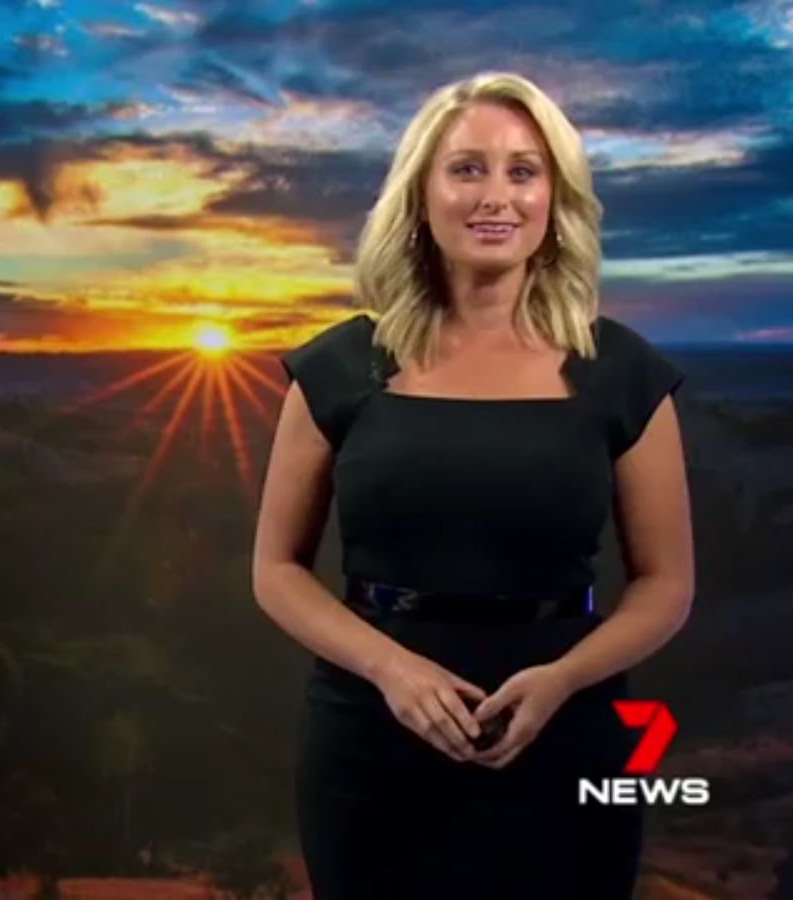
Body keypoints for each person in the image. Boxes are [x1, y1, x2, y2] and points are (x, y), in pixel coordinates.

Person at [250, 71, 695, 900]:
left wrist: (564, 679)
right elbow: (276, 570)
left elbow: (666, 584)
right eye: (467, 169)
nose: (497, 196)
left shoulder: (621, 372)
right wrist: (392, 670)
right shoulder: (341, 367)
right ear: (420, 196)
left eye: (523, 172)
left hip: (570, 737)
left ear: (555, 200)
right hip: (372, 741)